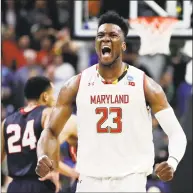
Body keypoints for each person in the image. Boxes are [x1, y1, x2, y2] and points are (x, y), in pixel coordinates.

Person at [36, 11, 187, 192]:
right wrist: (43, 156)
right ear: (96, 44)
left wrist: (172, 162)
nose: (105, 39)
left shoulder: (145, 84)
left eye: (113, 35)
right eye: (101, 35)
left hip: (130, 181)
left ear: (123, 45)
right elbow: (51, 131)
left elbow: (177, 133)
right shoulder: (76, 84)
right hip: (89, 180)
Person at [1, 76, 59, 193]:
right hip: (39, 184)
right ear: (45, 96)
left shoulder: (6, 122)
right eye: (53, 93)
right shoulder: (47, 113)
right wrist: (55, 171)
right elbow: (51, 141)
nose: (55, 98)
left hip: (14, 186)